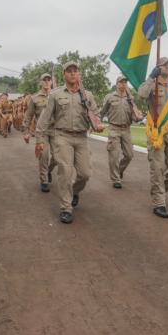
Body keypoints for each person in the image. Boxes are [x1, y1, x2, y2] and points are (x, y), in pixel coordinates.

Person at [34, 62, 102, 224]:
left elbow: (95, 114)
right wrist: (40, 139)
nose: (73, 73)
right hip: (62, 136)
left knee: (85, 174)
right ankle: (66, 207)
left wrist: (98, 124)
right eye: (69, 71)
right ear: (64, 74)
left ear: (79, 74)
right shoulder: (56, 94)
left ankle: (75, 191)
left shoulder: (87, 95)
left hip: (82, 138)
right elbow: (44, 119)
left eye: (75, 71)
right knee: (65, 171)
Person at [137, 58, 168, 218]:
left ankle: (160, 190)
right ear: (158, 67)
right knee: (157, 168)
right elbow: (141, 95)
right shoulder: (151, 85)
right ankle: (159, 202)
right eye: (165, 64)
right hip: (156, 132)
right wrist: (151, 77)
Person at [23, 73, 56, 192]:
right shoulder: (34, 98)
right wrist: (26, 132)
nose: (47, 82)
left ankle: (48, 171)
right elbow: (28, 115)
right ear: (40, 82)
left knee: (58, 157)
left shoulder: (57, 95)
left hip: (56, 130)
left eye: (49, 80)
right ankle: (44, 180)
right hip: (42, 131)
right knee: (43, 155)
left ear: (52, 82)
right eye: (44, 80)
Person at [102, 76, 137, 190]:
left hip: (126, 129)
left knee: (129, 155)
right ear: (116, 84)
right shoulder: (110, 97)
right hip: (114, 129)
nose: (123, 84)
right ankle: (116, 179)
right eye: (121, 82)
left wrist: (137, 117)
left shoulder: (130, 99)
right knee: (114, 155)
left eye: (125, 82)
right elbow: (102, 112)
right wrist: (95, 123)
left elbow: (133, 115)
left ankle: (119, 170)